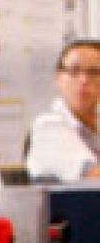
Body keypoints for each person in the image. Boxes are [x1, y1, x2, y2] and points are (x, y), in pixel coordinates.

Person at [26, 38, 100, 182]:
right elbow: (92, 176)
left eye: (94, 72)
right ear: (58, 77)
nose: (84, 80)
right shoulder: (48, 126)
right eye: (74, 71)